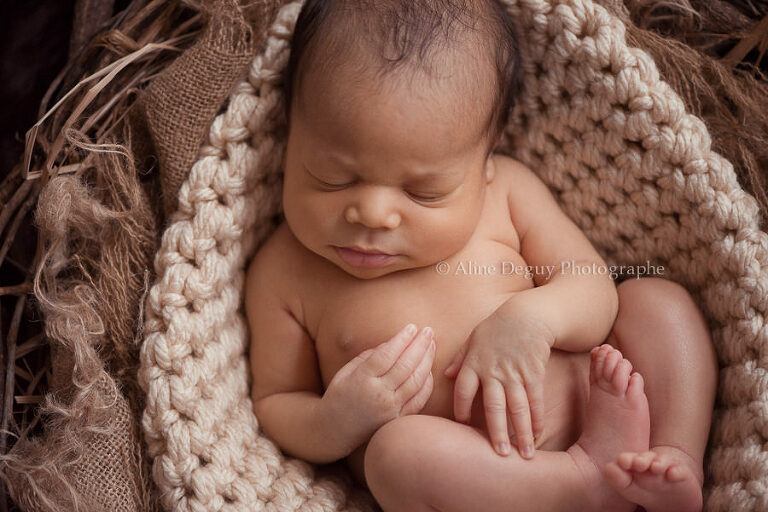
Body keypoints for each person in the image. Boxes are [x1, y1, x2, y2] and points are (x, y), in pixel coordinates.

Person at [246, 1, 718, 510]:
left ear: (485, 161)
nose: (373, 213)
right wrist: (334, 420)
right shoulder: (284, 270)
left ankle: (672, 457)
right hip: (477, 480)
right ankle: (580, 484)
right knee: (396, 454)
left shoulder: (508, 194)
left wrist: (532, 318)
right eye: (331, 178)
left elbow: (593, 289)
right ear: (291, 134)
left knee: (656, 300)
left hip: (606, 405)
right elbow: (276, 402)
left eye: (424, 193)